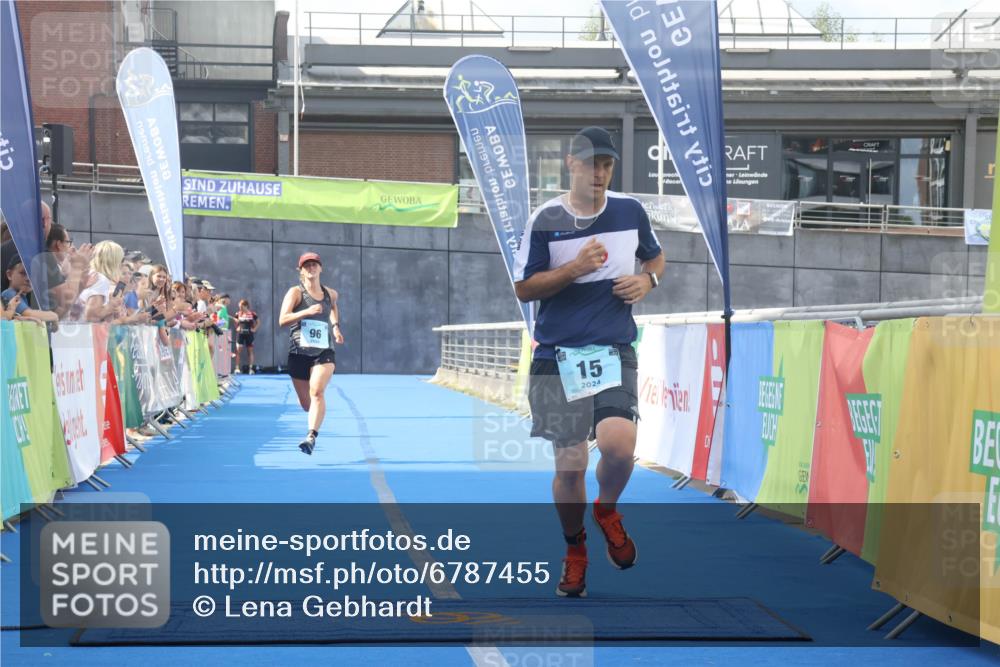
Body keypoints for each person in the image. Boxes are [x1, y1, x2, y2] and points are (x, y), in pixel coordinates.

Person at [512, 126, 665, 598]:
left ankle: (607, 509)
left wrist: (648, 282)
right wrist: (574, 269)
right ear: (571, 164)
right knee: (572, 463)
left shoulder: (630, 211)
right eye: (591, 163)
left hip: (612, 348)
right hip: (556, 356)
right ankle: (574, 549)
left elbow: (656, 259)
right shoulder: (545, 218)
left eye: (607, 165)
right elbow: (524, 288)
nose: (599, 173)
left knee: (619, 446)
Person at [278, 252, 344, 455]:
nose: (311, 268)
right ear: (301, 270)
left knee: (317, 391)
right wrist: (306, 312)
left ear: (321, 268)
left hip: (323, 351)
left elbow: (332, 306)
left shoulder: (330, 293)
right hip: (298, 353)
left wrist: (335, 326)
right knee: (307, 404)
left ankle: (311, 436)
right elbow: (282, 320)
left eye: (314, 264)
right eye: (307, 266)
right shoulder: (295, 293)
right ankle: (312, 422)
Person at [1, 254, 59, 326]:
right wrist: (54, 316)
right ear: (9, 275)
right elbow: (29, 314)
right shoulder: (9, 294)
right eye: (23, 273)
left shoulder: (23, 296)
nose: (28, 279)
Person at [235, 298, 259, 374]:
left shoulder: (253, 314)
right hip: (240, 335)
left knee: (250, 351)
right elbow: (236, 322)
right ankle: (237, 368)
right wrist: (237, 328)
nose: (240, 308)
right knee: (238, 351)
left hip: (249, 335)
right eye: (239, 307)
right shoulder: (238, 314)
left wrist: (254, 329)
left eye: (241, 307)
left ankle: (250, 369)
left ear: (246, 306)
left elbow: (258, 322)